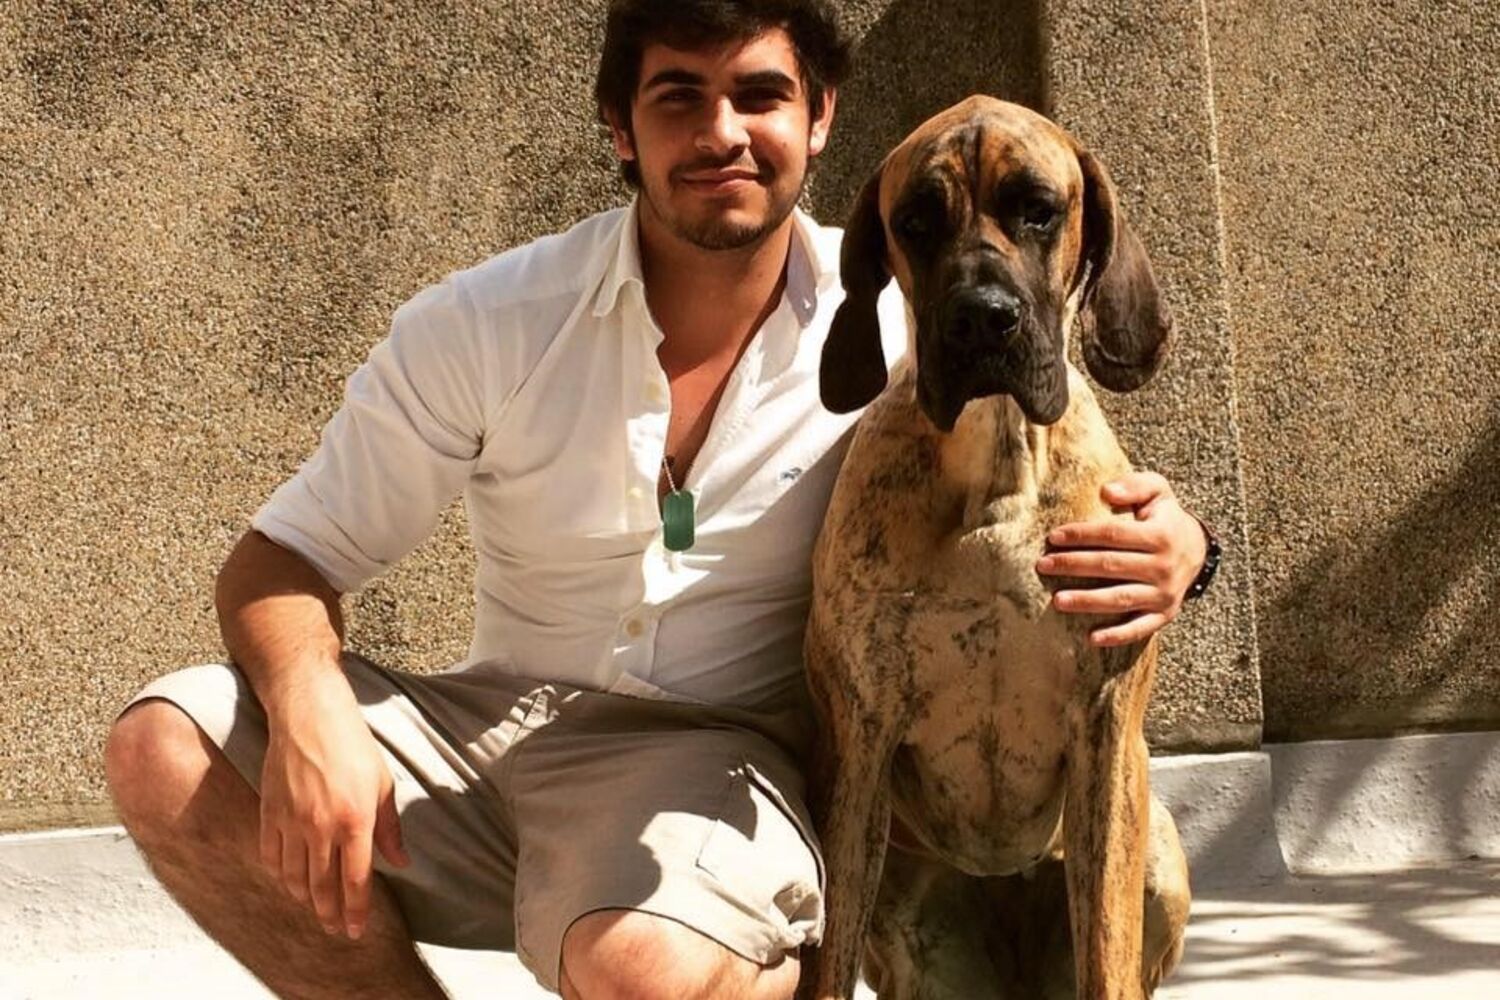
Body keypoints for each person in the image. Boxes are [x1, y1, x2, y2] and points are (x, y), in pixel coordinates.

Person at [104, 2, 1211, 998]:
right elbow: (279, 560)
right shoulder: (489, 323)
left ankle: (734, 945)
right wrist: (307, 709)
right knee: (166, 745)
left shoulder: (906, 315)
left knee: (653, 973)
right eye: (679, 96)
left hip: (709, 765)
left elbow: (1064, 467)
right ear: (620, 127)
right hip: (495, 737)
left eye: (761, 95)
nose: (722, 133)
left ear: (820, 118)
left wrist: (1188, 548)